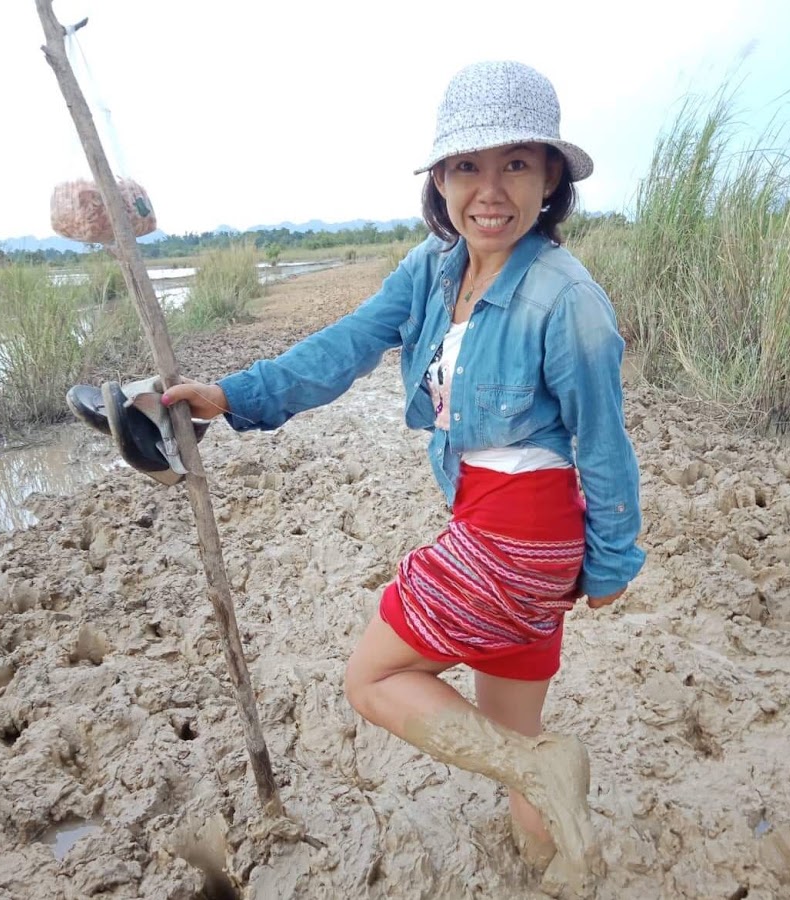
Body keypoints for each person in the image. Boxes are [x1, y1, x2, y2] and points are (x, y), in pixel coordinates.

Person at [162, 60, 644, 891]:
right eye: (466, 166)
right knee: (513, 739)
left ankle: (542, 777)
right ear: (440, 180)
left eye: (515, 164)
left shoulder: (567, 300)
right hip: (499, 529)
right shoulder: (435, 267)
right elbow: (346, 345)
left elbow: (603, 442)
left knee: (374, 677)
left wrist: (611, 563)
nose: (489, 191)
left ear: (550, 178)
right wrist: (234, 396)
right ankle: (557, 865)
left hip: (519, 535)